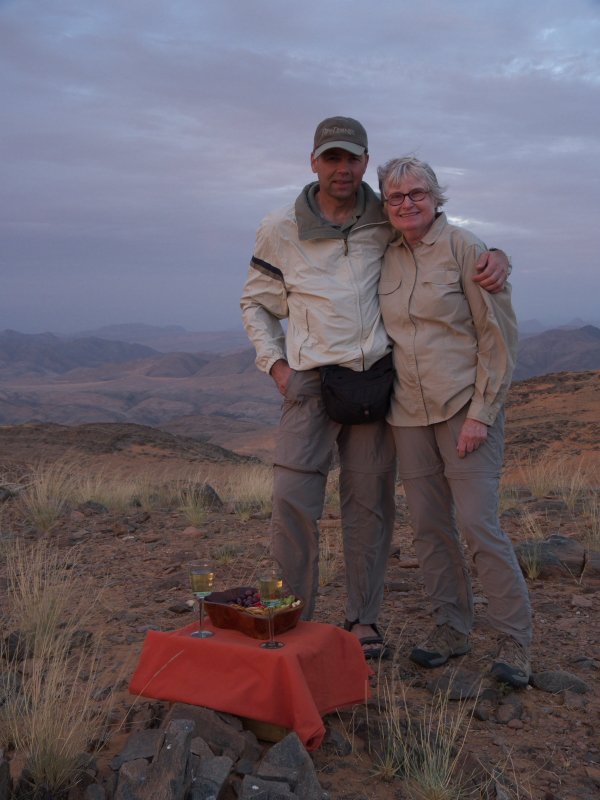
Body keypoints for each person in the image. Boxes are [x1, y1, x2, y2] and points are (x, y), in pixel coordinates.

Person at [240, 118, 510, 658]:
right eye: (331, 158)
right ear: (313, 161)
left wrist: (497, 255)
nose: (342, 169)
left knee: (369, 506)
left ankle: (362, 619)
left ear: (365, 162)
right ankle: (290, 620)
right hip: (309, 383)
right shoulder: (280, 226)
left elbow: (437, 235)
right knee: (292, 501)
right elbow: (256, 301)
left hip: (373, 384)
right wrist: (276, 366)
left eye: (352, 158)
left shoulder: (385, 217)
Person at [377, 156, 531, 686]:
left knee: (478, 525)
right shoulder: (385, 253)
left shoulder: (466, 247)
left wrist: (481, 414)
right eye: (396, 197)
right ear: (385, 204)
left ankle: (515, 639)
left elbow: (498, 337)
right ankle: (451, 626)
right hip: (407, 414)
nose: (407, 204)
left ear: (436, 196)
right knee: (428, 527)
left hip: (465, 408)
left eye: (416, 193)